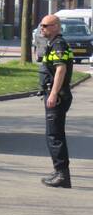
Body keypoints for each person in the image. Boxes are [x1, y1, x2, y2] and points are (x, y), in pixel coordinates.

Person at [38, 15, 73, 188]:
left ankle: (62, 175)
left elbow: (61, 70)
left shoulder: (58, 44)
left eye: (45, 25)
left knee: (55, 135)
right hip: (55, 94)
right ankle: (59, 171)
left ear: (56, 27)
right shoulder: (53, 44)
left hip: (57, 96)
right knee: (53, 134)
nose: (42, 28)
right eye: (41, 25)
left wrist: (53, 94)